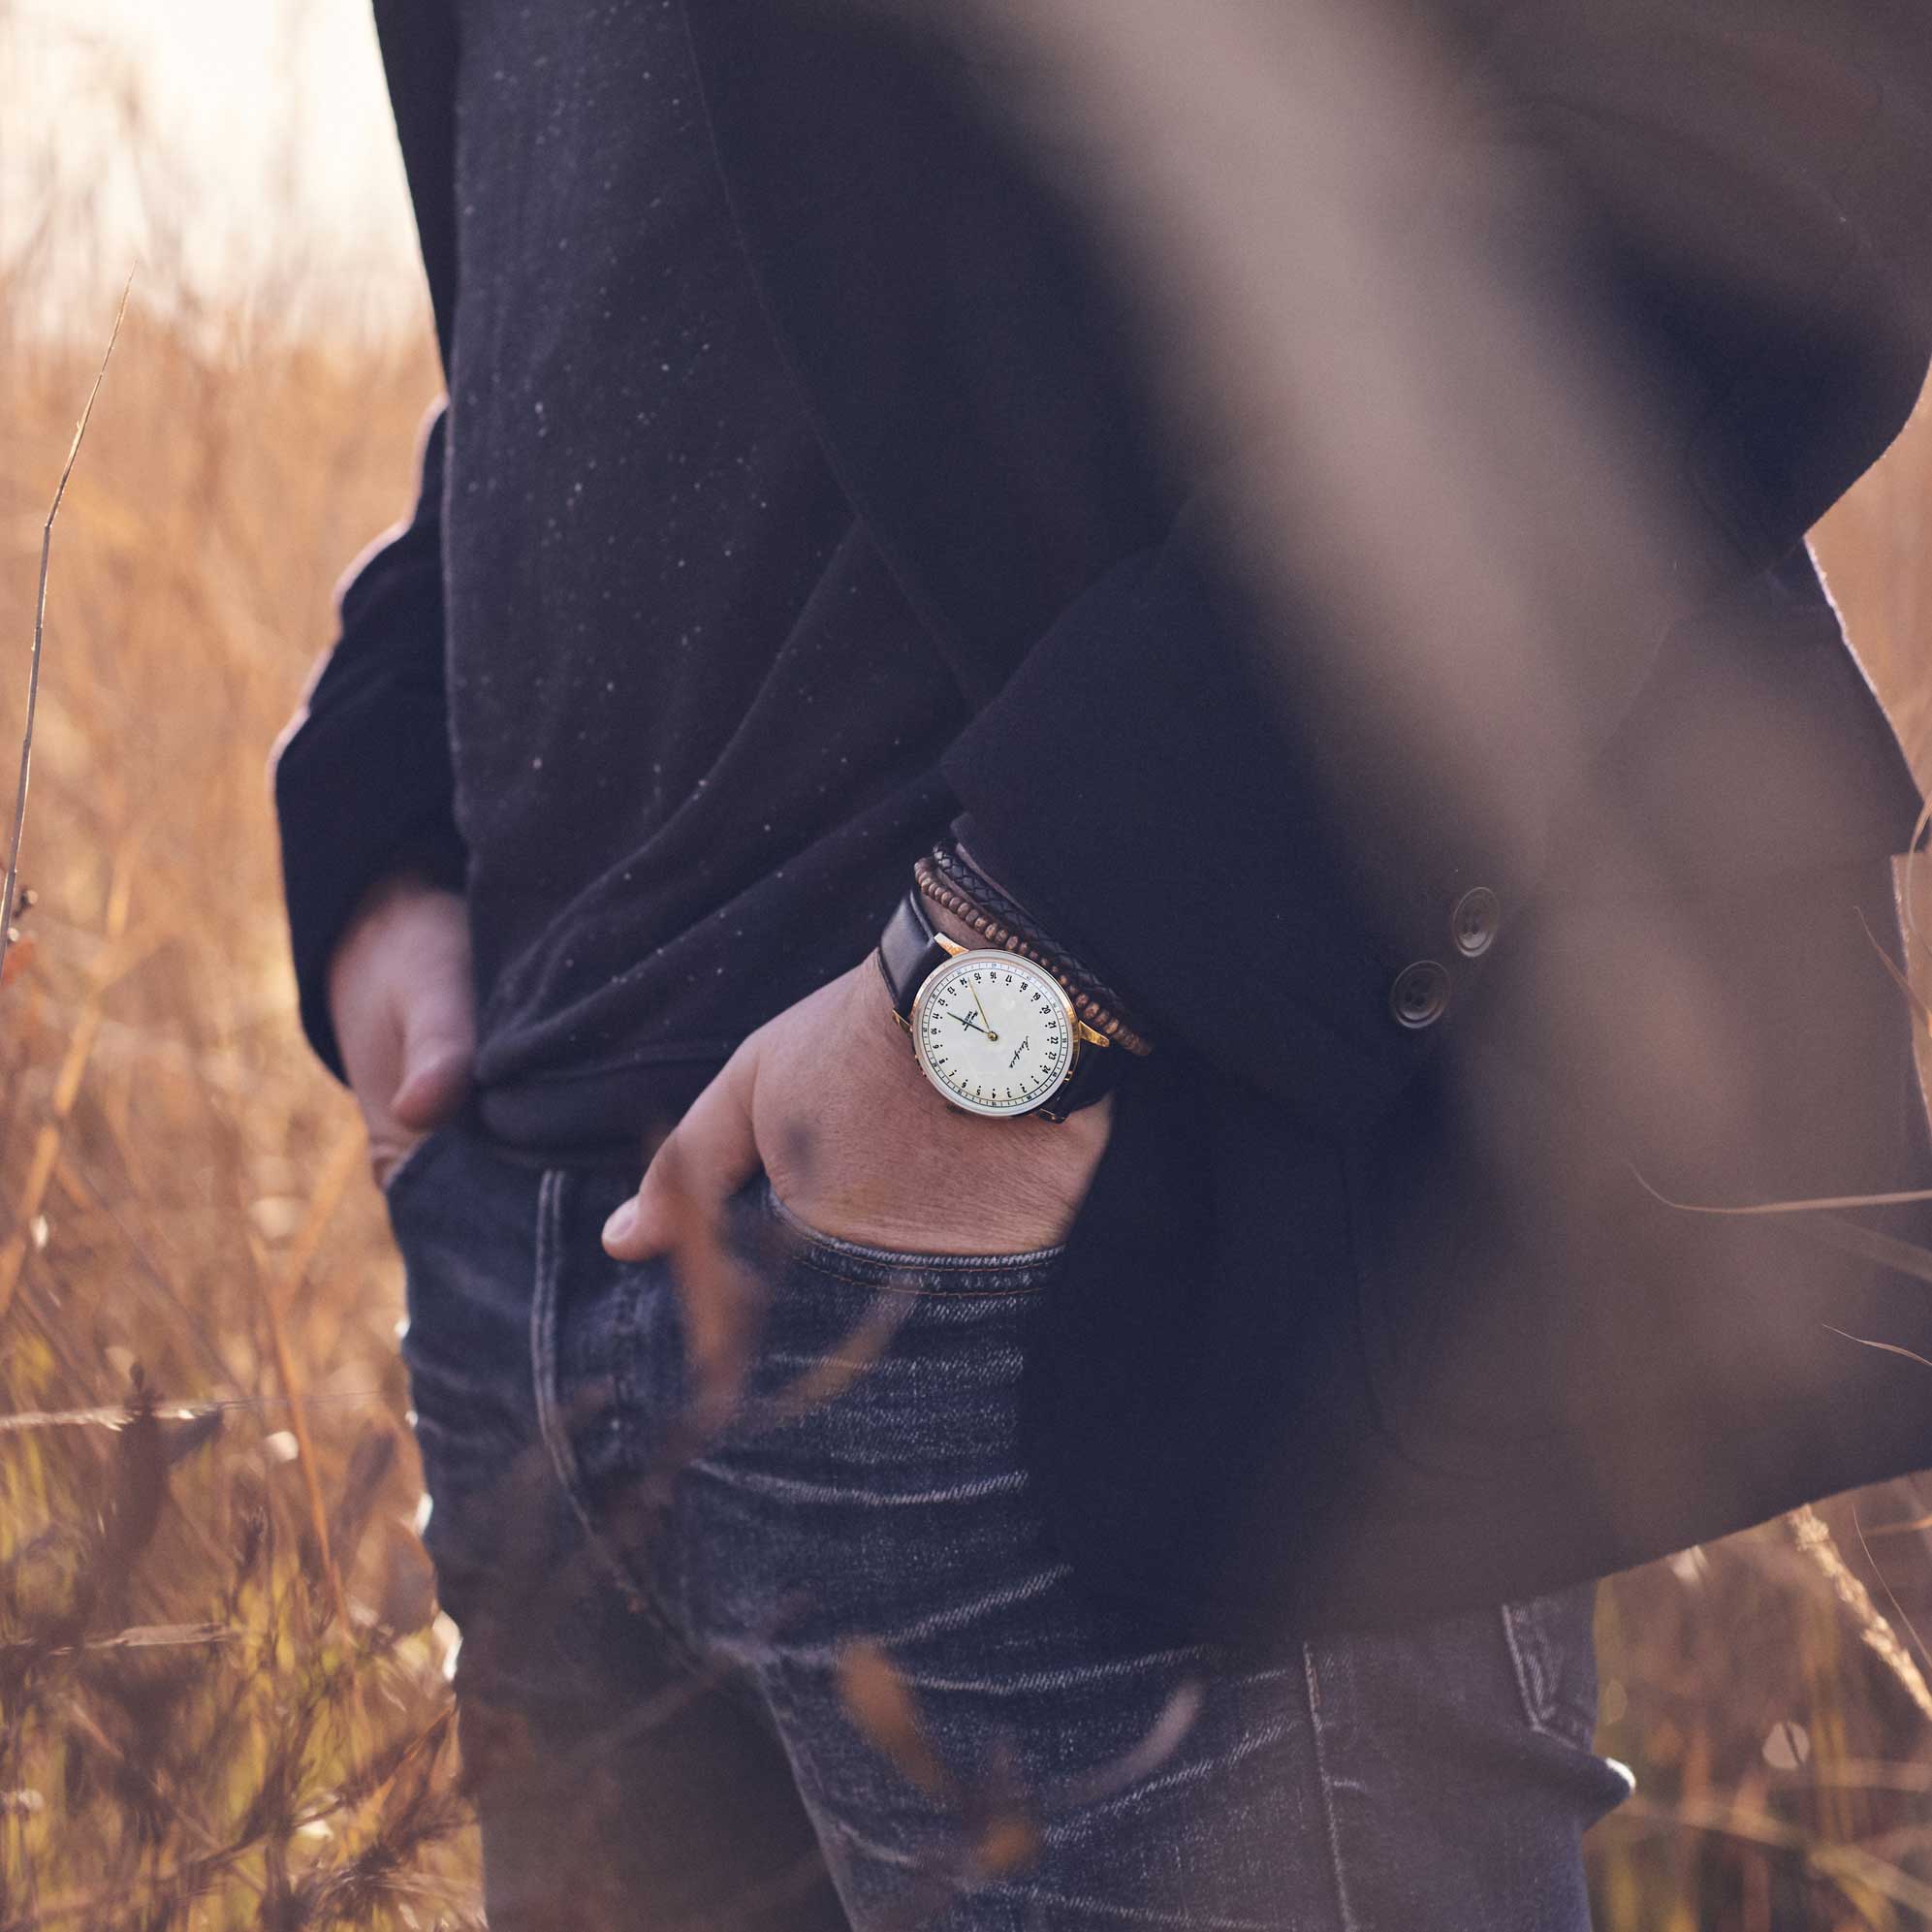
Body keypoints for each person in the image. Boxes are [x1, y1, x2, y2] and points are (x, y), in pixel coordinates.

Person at [272, 0, 1932, 1923]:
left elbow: (1782, 135)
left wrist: (1038, 965)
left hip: (1091, 1259)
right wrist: (390, 810)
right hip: (548, 1282)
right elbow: (645, 261)